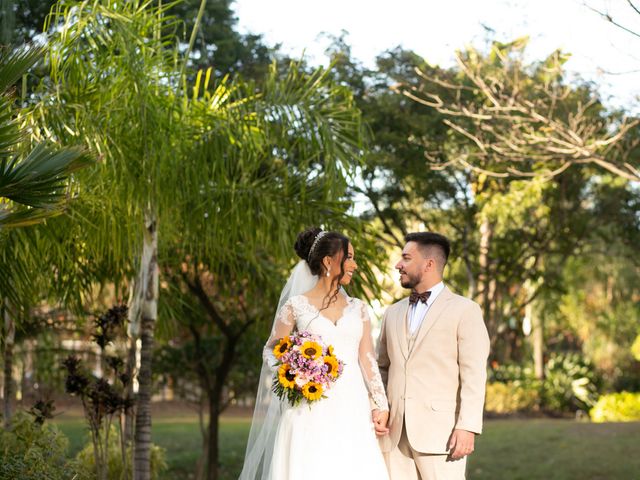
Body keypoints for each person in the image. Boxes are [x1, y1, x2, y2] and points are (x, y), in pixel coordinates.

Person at [239, 227, 390, 480]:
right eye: (349, 257)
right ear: (329, 261)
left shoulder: (359, 309)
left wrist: (380, 404)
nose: (354, 265)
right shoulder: (295, 306)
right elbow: (272, 350)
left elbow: (368, 359)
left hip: (351, 407)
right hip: (309, 407)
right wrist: (296, 375)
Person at [375, 232, 490, 480]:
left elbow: (474, 375)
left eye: (406, 258)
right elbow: (381, 368)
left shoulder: (465, 310)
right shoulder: (392, 313)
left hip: (442, 436)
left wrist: (467, 426)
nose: (398, 265)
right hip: (393, 436)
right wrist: (378, 407)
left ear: (429, 264)